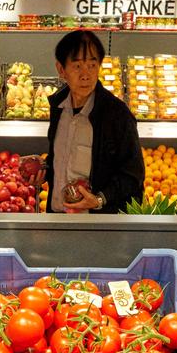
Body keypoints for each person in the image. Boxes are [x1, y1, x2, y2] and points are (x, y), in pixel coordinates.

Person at [44, 29, 143, 214]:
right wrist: (43, 171)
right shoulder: (58, 107)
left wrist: (99, 199)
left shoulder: (117, 115)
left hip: (98, 224)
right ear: (61, 70)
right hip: (58, 218)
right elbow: (61, 157)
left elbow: (133, 176)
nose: (86, 74)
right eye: (77, 66)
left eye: (92, 65)